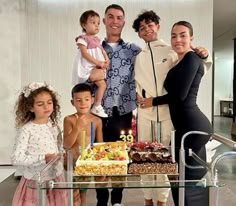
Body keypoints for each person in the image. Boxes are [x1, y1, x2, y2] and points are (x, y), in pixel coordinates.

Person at [132, 11, 212, 206]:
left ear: (158, 26)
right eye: (142, 28)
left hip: (169, 115)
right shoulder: (138, 57)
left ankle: (162, 200)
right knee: (144, 161)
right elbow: (134, 83)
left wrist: (206, 54)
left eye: (150, 25)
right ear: (139, 34)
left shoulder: (172, 50)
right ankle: (148, 199)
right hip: (145, 116)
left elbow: (198, 67)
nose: (147, 29)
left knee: (167, 163)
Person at [95, 4, 141, 206]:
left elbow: (159, 60)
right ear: (104, 21)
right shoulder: (93, 49)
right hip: (98, 111)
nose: (115, 21)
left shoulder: (134, 50)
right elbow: (81, 75)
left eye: (119, 17)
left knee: (120, 157)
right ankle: (101, 201)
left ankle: (117, 201)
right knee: (100, 158)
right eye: (110, 17)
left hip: (124, 110)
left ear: (123, 22)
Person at [11, 82, 67, 206]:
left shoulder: (54, 126)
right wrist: (42, 158)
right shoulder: (27, 129)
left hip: (55, 178)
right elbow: (16, 158)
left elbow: (58, 148)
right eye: (40, 104)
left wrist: (62, 155)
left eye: (49, 102)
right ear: (31, 107)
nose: (46, 107)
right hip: (36, 181)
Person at [63, 83, 103, 206]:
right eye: (78, 100)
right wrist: (77, 127)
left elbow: (100, 145)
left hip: (87, 163)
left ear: (92, 100)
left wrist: (101, 166)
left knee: (83, 193)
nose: (83, 103)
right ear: (72, 102)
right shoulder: (69, 120)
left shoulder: (96, 120)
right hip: (73, 163)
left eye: (86, 99)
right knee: (74, 195)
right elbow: (67, 145)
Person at [72, 10, 110, 118]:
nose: (97, 25)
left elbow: (102, 50)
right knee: (88, 88)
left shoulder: (97, 39)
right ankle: (93, 107)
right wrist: (98, 62)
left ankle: (96, 105)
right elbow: (85, 54)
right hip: (88, 66)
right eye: (93, 22)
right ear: (84, 25)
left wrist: (106, 60)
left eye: (98, 23)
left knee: (102, 84)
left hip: (97, 66)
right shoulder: (82, 39)